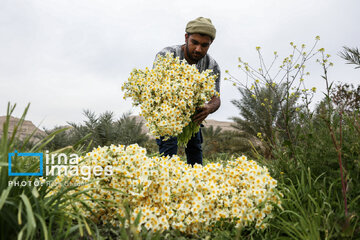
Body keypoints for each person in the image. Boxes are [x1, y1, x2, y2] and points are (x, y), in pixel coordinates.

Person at [154, 17, 221, 166]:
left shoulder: (212, 65)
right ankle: (166, 183)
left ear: (211, 44)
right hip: (168, 114)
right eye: (194, 43)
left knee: (195, 150)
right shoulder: (167, 55)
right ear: (186, 38)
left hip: (193, 116)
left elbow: (216, 98)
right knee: (168, 149)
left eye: (204, 45)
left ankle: (195, 184)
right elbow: (156, 89)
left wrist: (209, 107)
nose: (198, 49)